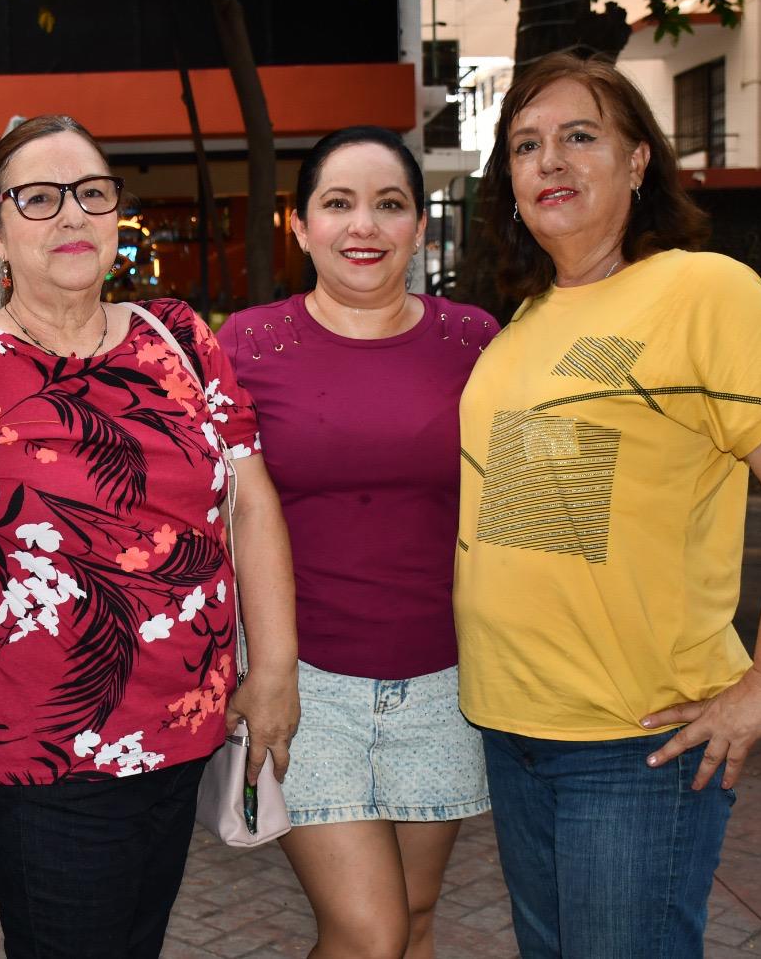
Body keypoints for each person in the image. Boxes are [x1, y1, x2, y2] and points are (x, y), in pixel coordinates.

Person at [455, 53, 761, 957]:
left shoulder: (701, 290)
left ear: (639, 160)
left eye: (578, 136)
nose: (549, 162)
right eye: (526, 146)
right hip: (515, 727)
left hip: (633, 742)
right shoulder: (522, 321)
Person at [0, 115, 298, 959]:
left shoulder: (181, 338)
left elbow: (253, 502)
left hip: (184, 730)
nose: (71, 215)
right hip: (39, 752)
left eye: (91, 192)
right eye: (39, 198)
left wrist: (273, 671)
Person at [219, 126, 496, 959]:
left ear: (418, 224)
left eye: (389, 205)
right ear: (300, 226)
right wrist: (258, 675)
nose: (363, 226)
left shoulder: (476, 341)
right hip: (303, 687)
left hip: (447, 685)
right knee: (368, 930)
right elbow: (221, 511)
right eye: (337, 204)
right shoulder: (247, 345)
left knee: (413, 915)